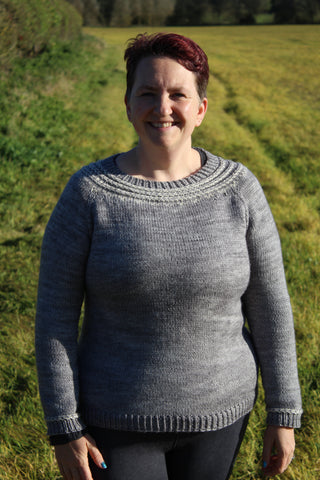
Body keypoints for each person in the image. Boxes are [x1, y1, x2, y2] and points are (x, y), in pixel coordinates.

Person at [35, 33, 302, 480]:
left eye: (178, 94)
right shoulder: (88, 195)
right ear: (127, 103)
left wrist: (284, 411)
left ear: (200, 109)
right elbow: (54, 321)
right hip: (116, 422)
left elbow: (271, 307)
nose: (162, 108)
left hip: (221, 415)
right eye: (147, 93)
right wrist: (64, 426)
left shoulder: (239, 189)